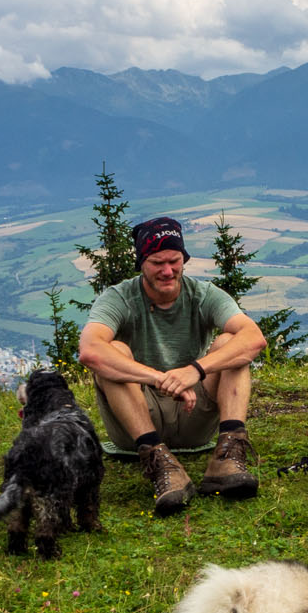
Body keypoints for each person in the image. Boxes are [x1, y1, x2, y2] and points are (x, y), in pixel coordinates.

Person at [78, 216, 267, 514]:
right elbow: (90, 351)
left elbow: (254, 339)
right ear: (142, 262)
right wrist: (158, 378)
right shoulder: (119, 298)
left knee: (232, 344)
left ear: (184, 259)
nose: (167, 271)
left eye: (174, 261)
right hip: (136, 421)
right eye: (157, 263)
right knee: (112, 351)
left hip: (194, 414)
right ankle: (157, 462)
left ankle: (228, 455)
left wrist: (194, 370)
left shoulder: (203, 294)